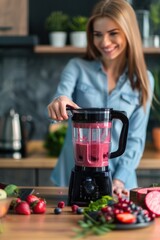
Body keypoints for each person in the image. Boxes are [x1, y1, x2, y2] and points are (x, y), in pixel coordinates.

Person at [47, 0, 154, 196]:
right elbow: (63, 93)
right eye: (98, 35)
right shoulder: (77, 67)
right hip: (73, 180)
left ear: (128, 32)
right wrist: (59, 102)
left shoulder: (144, 80)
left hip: (119, 184)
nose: (104, 42)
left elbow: (136, 139)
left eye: (113, 33)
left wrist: (119, 179)